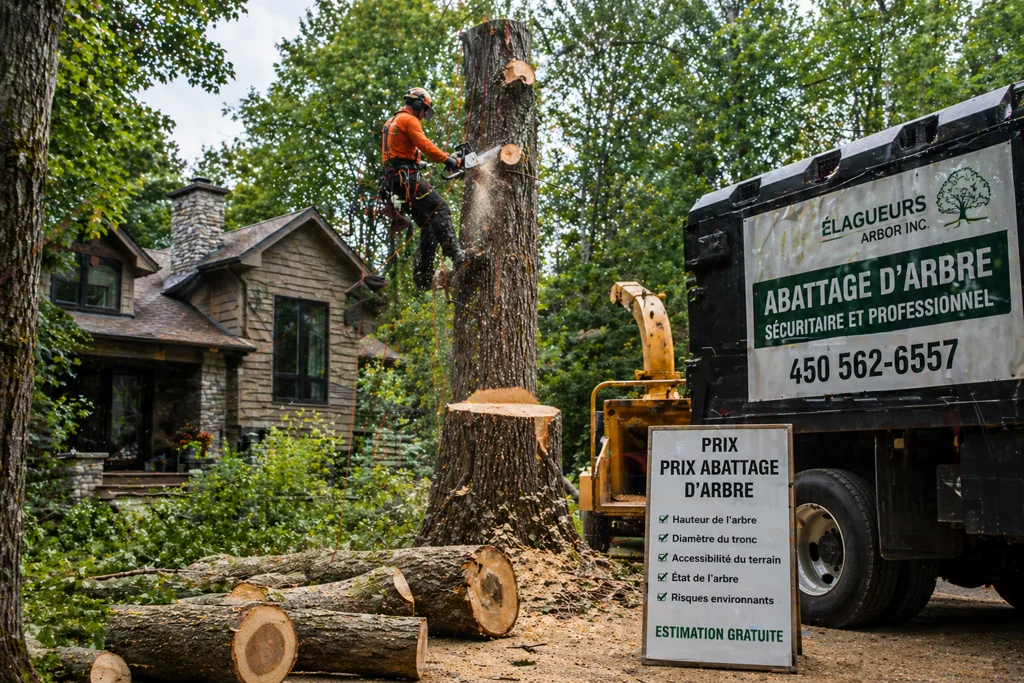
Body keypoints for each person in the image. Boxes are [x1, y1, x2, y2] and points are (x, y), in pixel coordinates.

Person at [380, 87, 476, 289]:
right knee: (440, 208)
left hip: (394, 182)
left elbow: (396, 154)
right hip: (407, 180)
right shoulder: (409, 120)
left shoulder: (391, 122)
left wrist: (420, 163)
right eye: (425, 110)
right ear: (417, 105)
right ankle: (457, 256)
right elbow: (425, 145)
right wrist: (448, 160)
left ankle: (423, 275)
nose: (424, 116)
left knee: (428, 223)